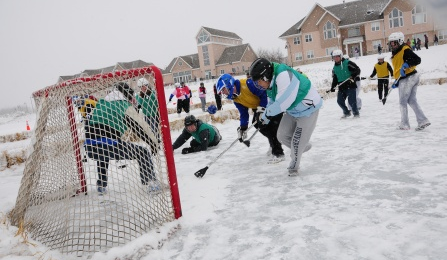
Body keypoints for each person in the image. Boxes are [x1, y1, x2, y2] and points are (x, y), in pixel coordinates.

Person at [249, 58, 322, 176]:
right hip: (293, 111)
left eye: (258, 81)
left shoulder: (283, 75)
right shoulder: (271, 84)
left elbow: (283, 102)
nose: (258, 85)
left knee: (297, 142)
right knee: (281, 135)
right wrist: (264, 117)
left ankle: (293, 169)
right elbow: (272, 101)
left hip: (308, 110)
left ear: (265, 77)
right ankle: (303, 146)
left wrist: (267, 113)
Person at [85, 82, 159, 194]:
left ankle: (101, 186)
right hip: (110, 145)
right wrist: (153, 143)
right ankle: (151, 183)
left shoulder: (101, 103)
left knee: (102, 156)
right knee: (143, 152)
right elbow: (140, 127)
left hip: (90, 148)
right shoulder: (123, 105)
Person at [216, 73, 285, 163]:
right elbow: (243, 113)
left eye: (223, 90)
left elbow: (264, 93)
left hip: (271, 103)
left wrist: (262, 110)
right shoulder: (235, 98)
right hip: (258, 108)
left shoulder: (248, 84)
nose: (223, 93)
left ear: (229, 84)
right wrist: (243, 127)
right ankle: (274, 144)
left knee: (271, 127)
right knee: (259, 125)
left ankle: (279, 153)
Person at [388, 31, 430, 131]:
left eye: (394, 42)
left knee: (402, 102)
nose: (392, 45)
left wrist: (407, 64)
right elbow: (398, 67)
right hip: (408, 78)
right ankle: (423, 120)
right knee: (411, 100)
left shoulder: (405, 50)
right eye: (391, 43)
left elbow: (417, 59)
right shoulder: (396, 52)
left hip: (409, 77)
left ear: (400, 41)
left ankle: (404, 124)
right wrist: (397, 81)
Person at [330, 49, 361, 118]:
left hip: (350, 85)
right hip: (341, 87)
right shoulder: (335, 67)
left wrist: (353, 76)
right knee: (339, 101)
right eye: (334, 57)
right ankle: (346, 112)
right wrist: (333, 87)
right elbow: (335, 78)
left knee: (351, 101)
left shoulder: (348, 63)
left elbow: (357, 69)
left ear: (341, 56)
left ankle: (356, 113)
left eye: (337, 56)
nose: (336, 58)